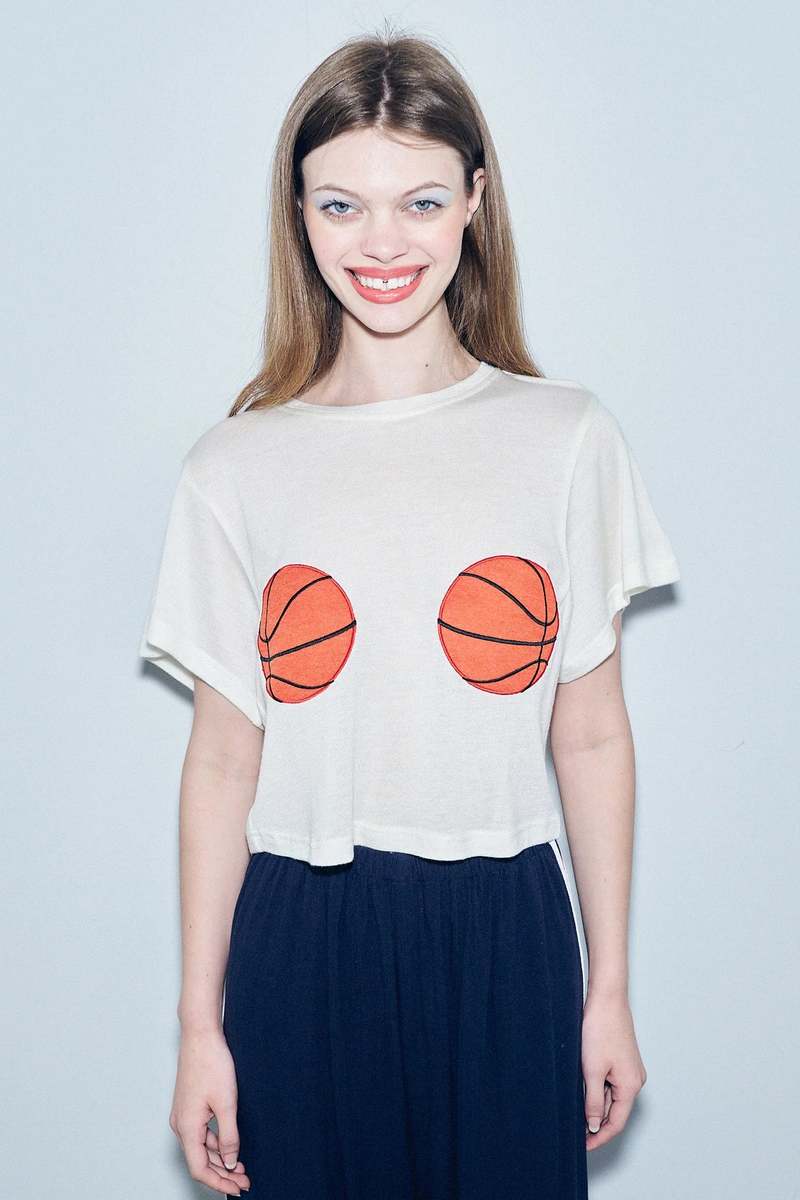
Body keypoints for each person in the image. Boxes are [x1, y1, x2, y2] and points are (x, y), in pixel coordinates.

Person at [138, 28, 681, 1200]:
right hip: (301, 932)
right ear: (297, 215)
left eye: (420, 201)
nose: (381, 243)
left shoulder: (564, 437)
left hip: (505, 927)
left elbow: (589, 735)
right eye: (341, 205)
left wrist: (606, 990)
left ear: (475, 201)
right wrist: (198, 1028)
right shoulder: (233, 466)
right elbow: (223, 759)